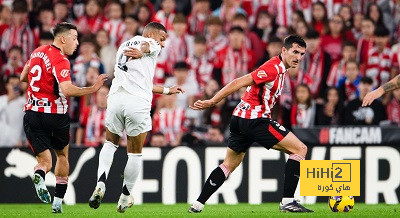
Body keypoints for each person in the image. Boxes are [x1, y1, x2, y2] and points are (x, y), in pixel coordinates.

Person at [188, 35, 313, 213]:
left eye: (301, 54)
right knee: (300, 149)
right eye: (295, 52)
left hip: (239, 119)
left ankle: (198, 204)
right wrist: (213, 100)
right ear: (284, 50)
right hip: (254, 119)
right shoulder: (273, 68)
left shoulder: (279, 67)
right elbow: (239, 82)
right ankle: (287, 201)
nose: (298, 57)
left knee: (228, 164)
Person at [88, 22, 183, 213]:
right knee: (135, 153)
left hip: (115, 98)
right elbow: (149, 46)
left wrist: (166, 90)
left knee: (110, 144)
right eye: (162, 38)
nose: (163, 44)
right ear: (151, 34)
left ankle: (101, 182)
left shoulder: (122, 46)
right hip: (137, 103)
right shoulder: (150, 43)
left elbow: (142, 81)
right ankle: (125, 197)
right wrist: (144, 49)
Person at [19, 22, 107, 213]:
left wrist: (41, 84)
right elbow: (66, 89)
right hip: (55, 115)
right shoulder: (61, 59)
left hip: (32, 113)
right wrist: (92, 88)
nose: (76, 43)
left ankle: (40, 174)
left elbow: (23, 77)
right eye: (74, 38)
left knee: (44, 162)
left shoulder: (37, 51)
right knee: (62, 156)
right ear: (63, 39)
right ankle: (58, 202)